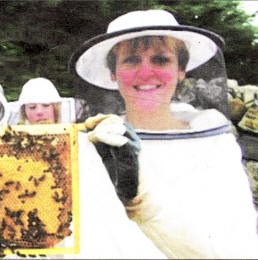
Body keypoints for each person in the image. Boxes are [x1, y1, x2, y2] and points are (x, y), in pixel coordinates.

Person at [70, 9, 258, 258]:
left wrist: (144, 200)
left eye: (160, 60)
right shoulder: (89, 145)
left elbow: (235, 252)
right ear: (113, 73)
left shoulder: (216, 148)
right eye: (131, 60)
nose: (146, 72)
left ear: (181, 70)